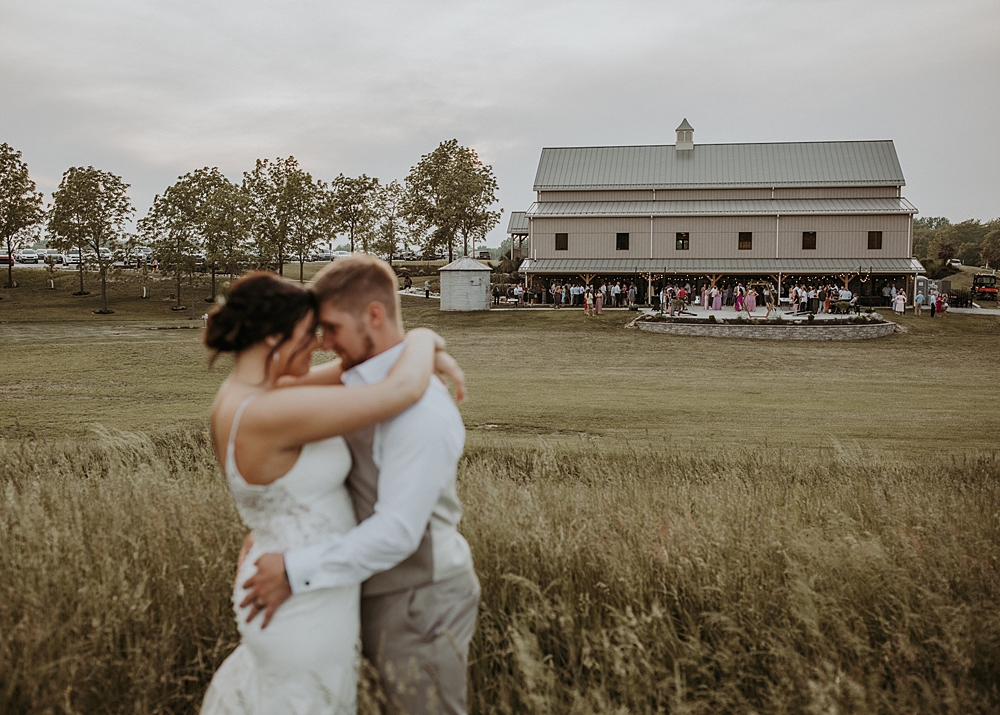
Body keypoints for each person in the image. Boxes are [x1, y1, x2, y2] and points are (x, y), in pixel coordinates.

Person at [199, 270, 467, 715]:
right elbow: (399, 389)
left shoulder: (248, 395)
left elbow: (353, 370)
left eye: (326, 330)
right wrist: (422, 339)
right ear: (272, 338)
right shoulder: (268, 410)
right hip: (300, 605)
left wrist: (415, 343)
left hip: (297, 582)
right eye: (309, 333)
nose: (320, 343)